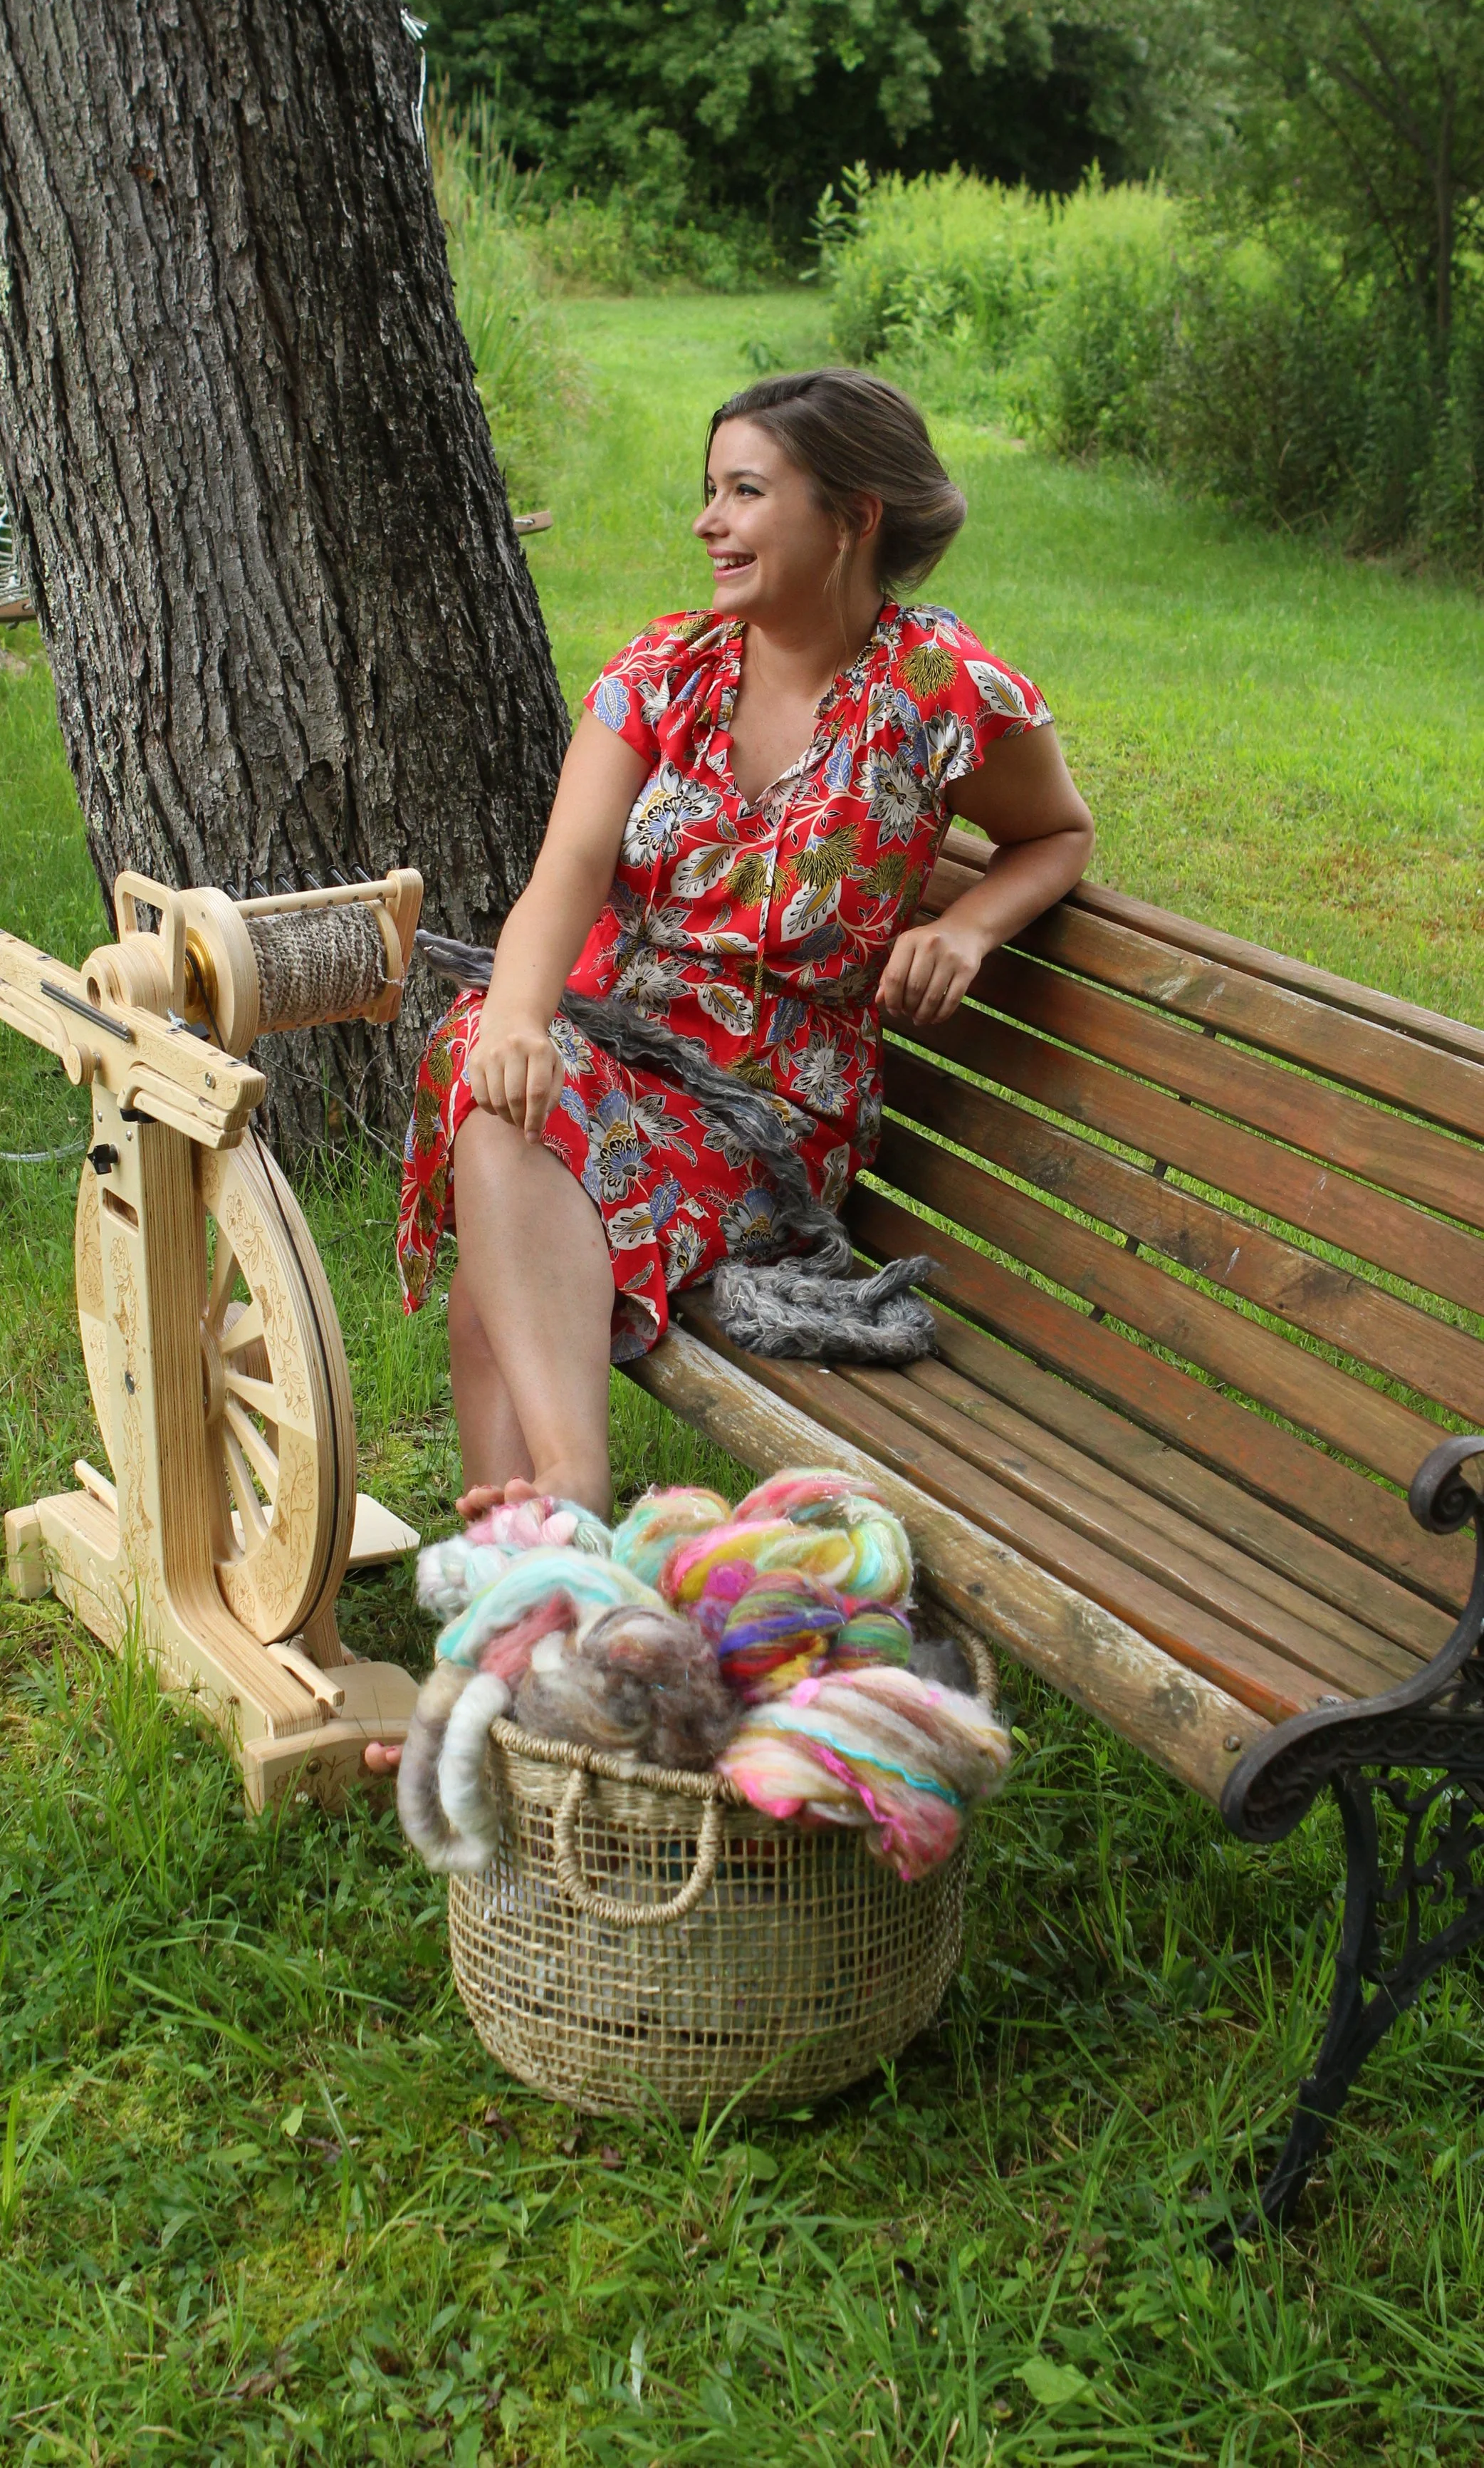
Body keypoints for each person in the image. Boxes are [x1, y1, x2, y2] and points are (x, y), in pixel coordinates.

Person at [362, 368, 1092, 1775]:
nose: (708, 520)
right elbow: (567, 870)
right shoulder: (667, 670)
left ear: (849, 517)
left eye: (744, 491)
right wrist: (520, 1015)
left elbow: (1055, 835)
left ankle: (536, 1576)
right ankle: (545, 1599)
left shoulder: (939, 690)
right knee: (492, 1074)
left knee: (508, 1160)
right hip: (610, 1056)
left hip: (769, 1121)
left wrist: (966, 923)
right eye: (711, 489)